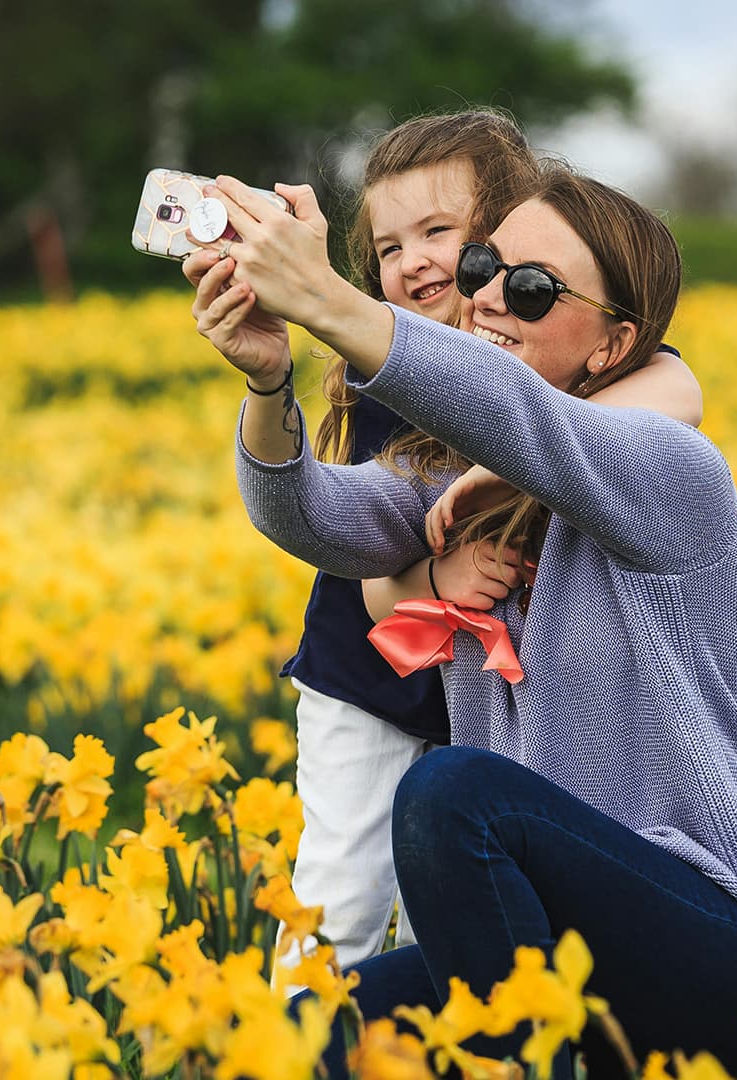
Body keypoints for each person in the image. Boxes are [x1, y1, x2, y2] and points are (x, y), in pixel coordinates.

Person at [204, 163, 737, 1075]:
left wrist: (325, 298)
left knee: (454, 796)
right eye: (486, 265)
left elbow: (527, 420)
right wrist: (267, 383)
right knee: (299, 1037)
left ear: (613, 348)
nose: (489, 296)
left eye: (532, 289)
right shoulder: (460, 483)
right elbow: (308, 518)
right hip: (568, 952)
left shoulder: (670, 469)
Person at [182, 110, 703, 981]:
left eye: (438, 233)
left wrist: (524, 464)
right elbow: (365, 567)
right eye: (388, 248)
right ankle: (292, 1041)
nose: (413, 262)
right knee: (340, 898)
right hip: (374, 672)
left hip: (492, 694)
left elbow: (675, 393)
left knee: (457, 917)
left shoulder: (577, 361)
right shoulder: (386, 366)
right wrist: (437, 570)